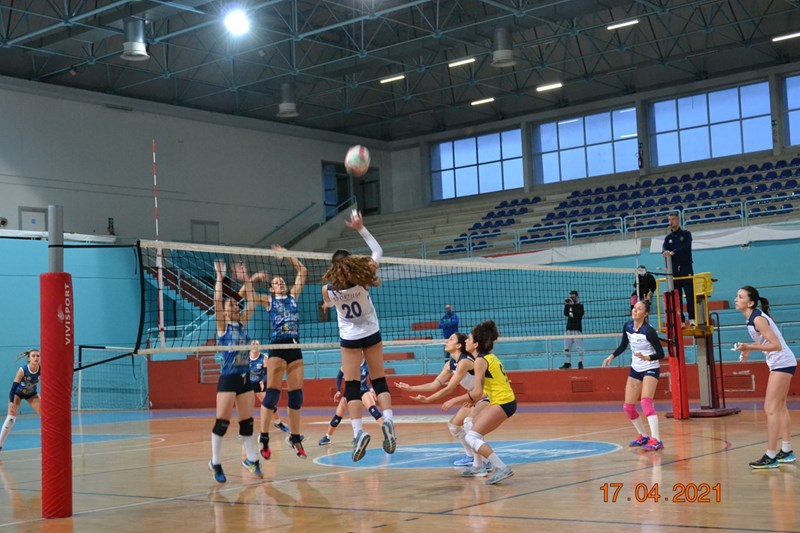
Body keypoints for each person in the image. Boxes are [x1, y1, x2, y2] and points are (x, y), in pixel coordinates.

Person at [321, 210, 396, 462]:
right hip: (371, 332)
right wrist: (360, 228)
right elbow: (377, 251)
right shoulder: (363, 280)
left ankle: (358, 432)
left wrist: (329, 304)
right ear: (351, 263)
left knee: (352, 386)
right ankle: (388, 420)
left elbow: (329, 303)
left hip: (350, 338)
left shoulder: (327, 290)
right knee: (379, 380)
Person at [241, 245, 308, 460]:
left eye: (282, 281)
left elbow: (303, 271)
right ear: (271, 288)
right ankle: (263, 437)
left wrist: (287, 255)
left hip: (294, 347)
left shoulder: (293, 296)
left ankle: (295, 438)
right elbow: (248, 294)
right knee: (272, 395)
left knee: (296, 397)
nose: (281, 283)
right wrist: (252, 278)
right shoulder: (268, 300)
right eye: (276, 282)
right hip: (278, 346)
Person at [396, 332, 490, 470]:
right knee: (454, 426)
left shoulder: (464, 362)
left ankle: (484, 461)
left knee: (469, 424)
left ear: (458, 345)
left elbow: (449, 389)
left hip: (487, 396)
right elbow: (434, 385)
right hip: (473, 397)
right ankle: (471, 456)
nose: (446, 341)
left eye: (451, 339)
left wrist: (429, 400)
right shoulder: (450, 364)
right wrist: (411, 388)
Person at [443, 320, 516, 485]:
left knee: (472, 437)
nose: (466, 341)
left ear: (475, 344)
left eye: (469, 339)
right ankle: (479, 466)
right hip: (503, 400)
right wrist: (474, 399)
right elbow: (484, 389)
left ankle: (502, 467)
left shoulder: (480, 361)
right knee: (470, 426)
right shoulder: (488, 357)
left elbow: (476, 392)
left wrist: (454, 399)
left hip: (503, 402)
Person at [208, 260, 262, 483]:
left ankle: (251, 459)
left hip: (244, 378)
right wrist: (220, 277)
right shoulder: (223, 326)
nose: (233, 308)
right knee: (222, 422)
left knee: (247, 423)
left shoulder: (242, 324)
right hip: (228, 378)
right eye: (230, 306)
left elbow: (253, 302)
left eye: (235, 306)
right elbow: (217, 302)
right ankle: (215, 462)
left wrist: (246, 277)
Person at [733, 286, 797, 469]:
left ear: (750, 303)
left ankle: (770, 456)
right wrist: (747, 349)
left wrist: (751, 347)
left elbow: (776, 345)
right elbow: (765, 341)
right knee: (780, 406)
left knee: (770, 408)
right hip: (783, 362)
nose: (736, 299)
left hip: (782, 363)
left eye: (740, 297)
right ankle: (786, 450)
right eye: (737, 296)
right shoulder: (752, 319)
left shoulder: (758, 319)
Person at [602, 300, 665, 452]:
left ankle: (656, 440)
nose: (635, 310)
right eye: (634, 308)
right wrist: (612, 356)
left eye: (639, 309)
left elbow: (661, 353)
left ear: (646, 313)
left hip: (650, 367)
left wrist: (647, 357)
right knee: (628, 407)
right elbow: (624, 345)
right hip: (636, 368)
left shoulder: (649, 331)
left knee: (645, 402)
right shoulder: (628, 326)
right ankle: (643, 436)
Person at [319, 360, 385, 446]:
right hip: (350, 391)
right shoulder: (349, 361)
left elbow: (373, 377)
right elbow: (339, 376)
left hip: (363, 390)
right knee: (338, 415)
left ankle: (387, 433)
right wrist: (338, 390)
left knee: (374, 410)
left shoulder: (367, 363)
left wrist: (372, 389)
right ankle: (327, 436)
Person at [0, 349, 41, 454]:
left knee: (45, 416)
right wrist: (11, 402)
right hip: (17, 394)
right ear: (29, 358)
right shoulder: (23, 370)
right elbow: (13, 388)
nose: (36, 358)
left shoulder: (42, 369)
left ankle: (50, 442)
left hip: (32, 395)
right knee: (11, 418)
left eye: (38, 356)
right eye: (33, 356)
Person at [662, 212, 695, 326]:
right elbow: (664, 249)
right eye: (669, 220)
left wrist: (673, 252)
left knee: (690, 295)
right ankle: (681, 320)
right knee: (677, 296)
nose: (671, 222)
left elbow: (685, 248)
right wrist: (665, 252)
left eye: (673, 219)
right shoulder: (668, 238)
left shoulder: (686, 234)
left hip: (686, 268)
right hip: (674, 271)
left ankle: (692, 318)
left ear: (678, 220)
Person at [560, 290, 584, 369]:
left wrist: (574, 305)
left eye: (574, 297)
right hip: (569, 329)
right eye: (571, 297)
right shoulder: (568, 305)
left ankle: (580, 362)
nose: (572, 298)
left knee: (579, 348)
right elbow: (565, 313)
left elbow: (579, 315)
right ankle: (567, 363)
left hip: (577, 329)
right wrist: (569, 305)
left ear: (577, 297)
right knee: (566, 348)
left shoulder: (580, 306)